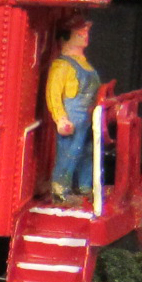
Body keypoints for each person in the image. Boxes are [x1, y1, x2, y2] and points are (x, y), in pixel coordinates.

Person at [45, 17, 100, 203]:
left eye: (86, 32)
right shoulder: (63, 65)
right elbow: (53, 93)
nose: (85, 36)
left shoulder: (83, 62)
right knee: (69, 152)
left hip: (89, 115)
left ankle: (84, 186)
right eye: (79, 33)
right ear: (66, 38)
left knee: (87, 151)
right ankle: (60, 190)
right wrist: (60, 118)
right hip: (73, 116)